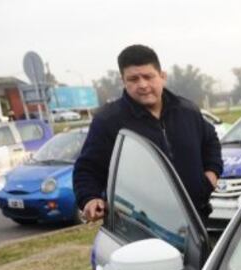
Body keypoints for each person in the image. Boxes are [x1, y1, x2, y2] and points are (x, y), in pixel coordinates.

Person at [74, 44, 222, 223]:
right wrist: (90, 198)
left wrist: (211, 177)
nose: (142, 85)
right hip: (139, 227)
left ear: (162, 77)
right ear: (124, 81)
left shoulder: (187, 111)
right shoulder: (108, 121)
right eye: (134, 79)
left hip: (196, 220)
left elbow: (210, 141)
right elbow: (87, 169)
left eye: (148, 76)